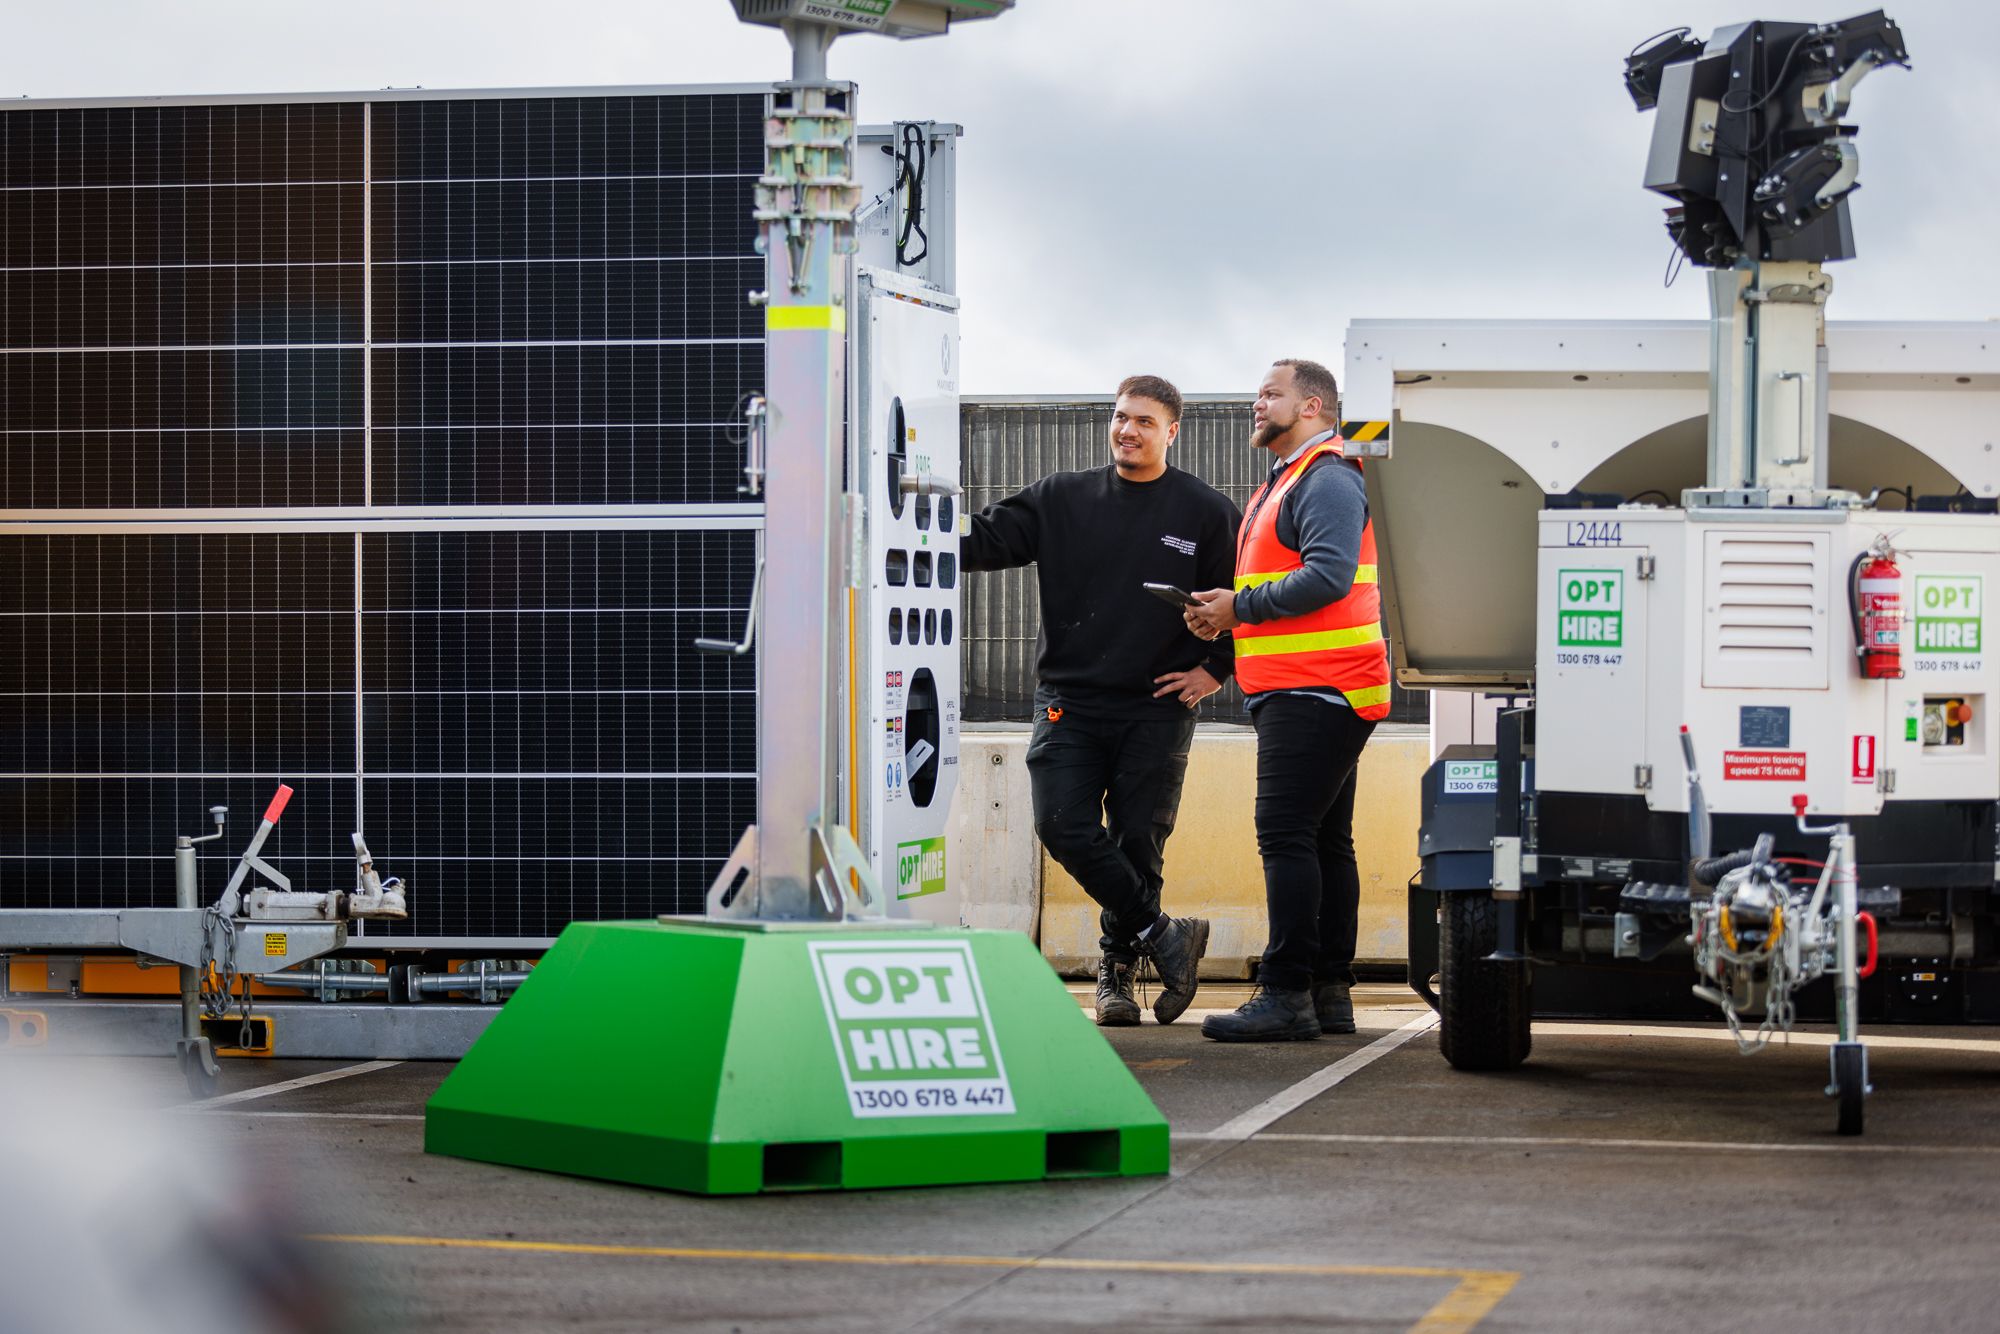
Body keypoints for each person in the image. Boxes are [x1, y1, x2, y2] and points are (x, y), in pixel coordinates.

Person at [963, 374, 1239, 1026]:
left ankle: (1114, 975)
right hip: (1070, 701)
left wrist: (1217, 670)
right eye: (1121, 418)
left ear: (1172, 432)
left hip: (1156, 705)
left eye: (1144, 421)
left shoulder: (1205, 511)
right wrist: (903, 525)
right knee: (1061, 823)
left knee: (1139, 840)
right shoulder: (1062, 497)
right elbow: (982, 540)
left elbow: (1245, 601)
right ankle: (1165, 934)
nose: (1128, 430)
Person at [1183, 358, 1392, 1042]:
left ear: (1312, 407)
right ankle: (1330, 992)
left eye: (1270, 394)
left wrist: (1235, 608)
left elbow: (1329, 576)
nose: (1256, 404)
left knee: (1285, 834)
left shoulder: (1326, 475)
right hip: (1317, 686)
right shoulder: (1289, 480)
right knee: (1326, 840)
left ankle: (1286, 993)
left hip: (1318, 685)